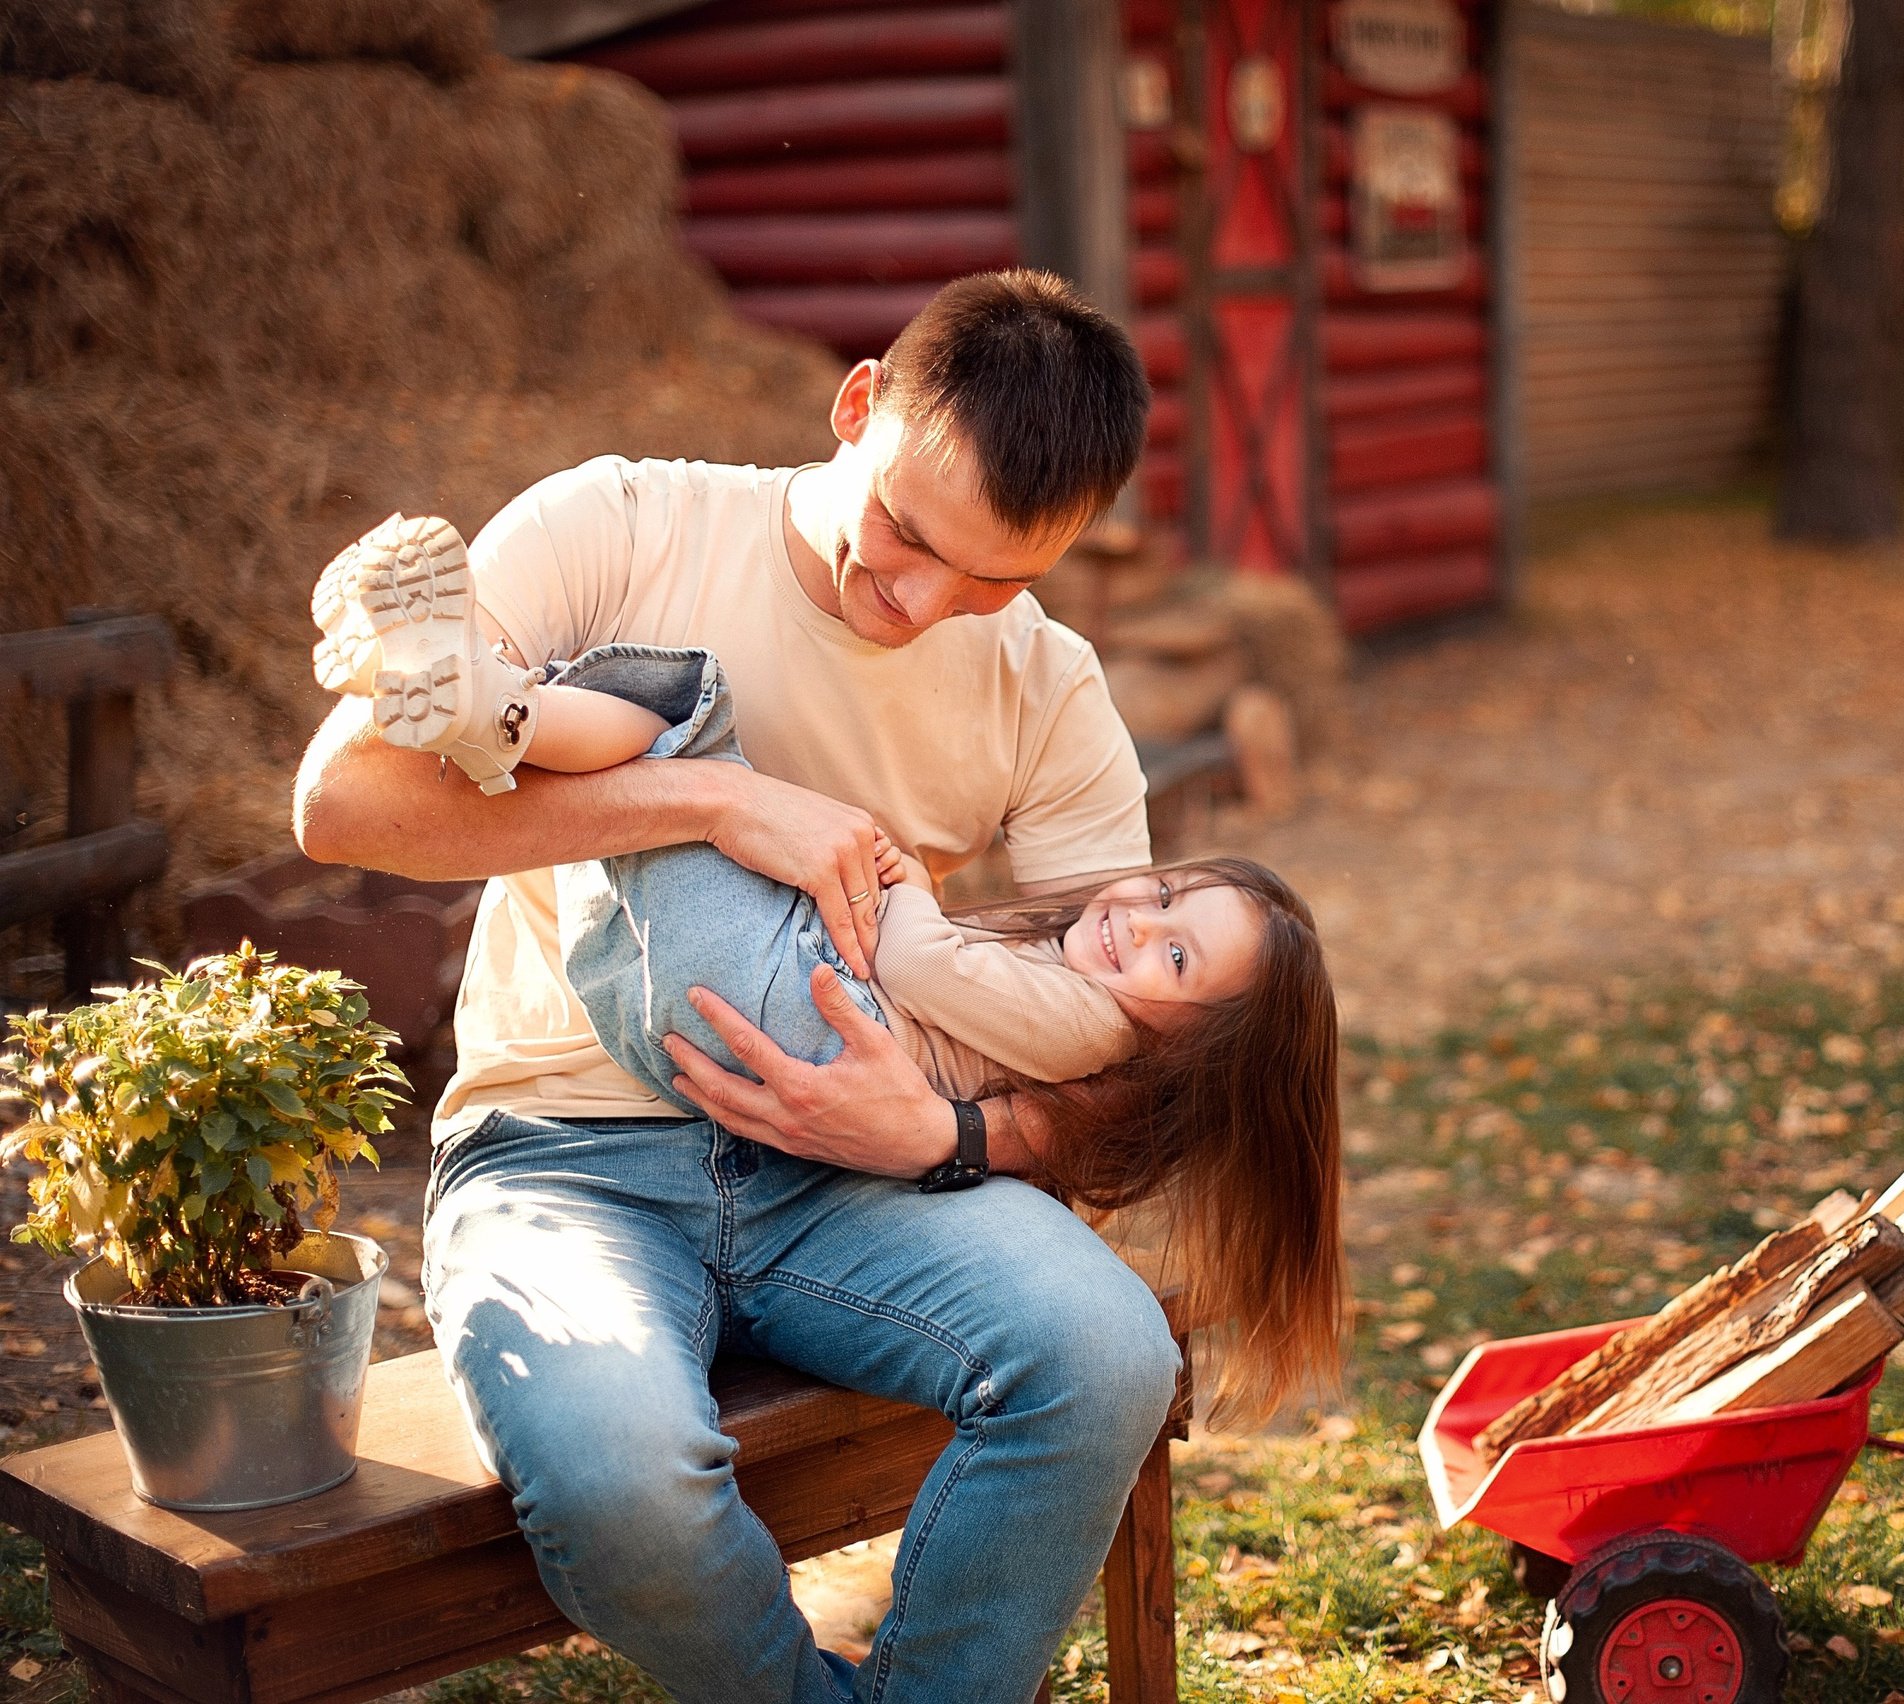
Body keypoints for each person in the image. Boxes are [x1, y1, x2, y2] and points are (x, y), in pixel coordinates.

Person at [291, 272, 1247, 1704]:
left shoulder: (1048, 687)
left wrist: (950, 1142)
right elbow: (343, 806)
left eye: (994, 578)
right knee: (625, 1487)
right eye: (908, 535)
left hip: (858, 1182)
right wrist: (712, 805)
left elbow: (1134, 1071)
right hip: (567, 1157)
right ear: (856, 405)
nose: (922, 603)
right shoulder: (619, 527)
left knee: (1108, 1357)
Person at [308, 551, 1343, 1410]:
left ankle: (501, 710)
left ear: (1189, 1040)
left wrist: (890, 869)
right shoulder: (1079, 1011)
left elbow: (912, 957)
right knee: (653, 785)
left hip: (775, 1009)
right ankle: (488, 712)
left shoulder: (1082, 1024)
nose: (1132, 918)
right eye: (1162, 894)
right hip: (680, 1015)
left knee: (686, 710)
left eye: (1174, 955)